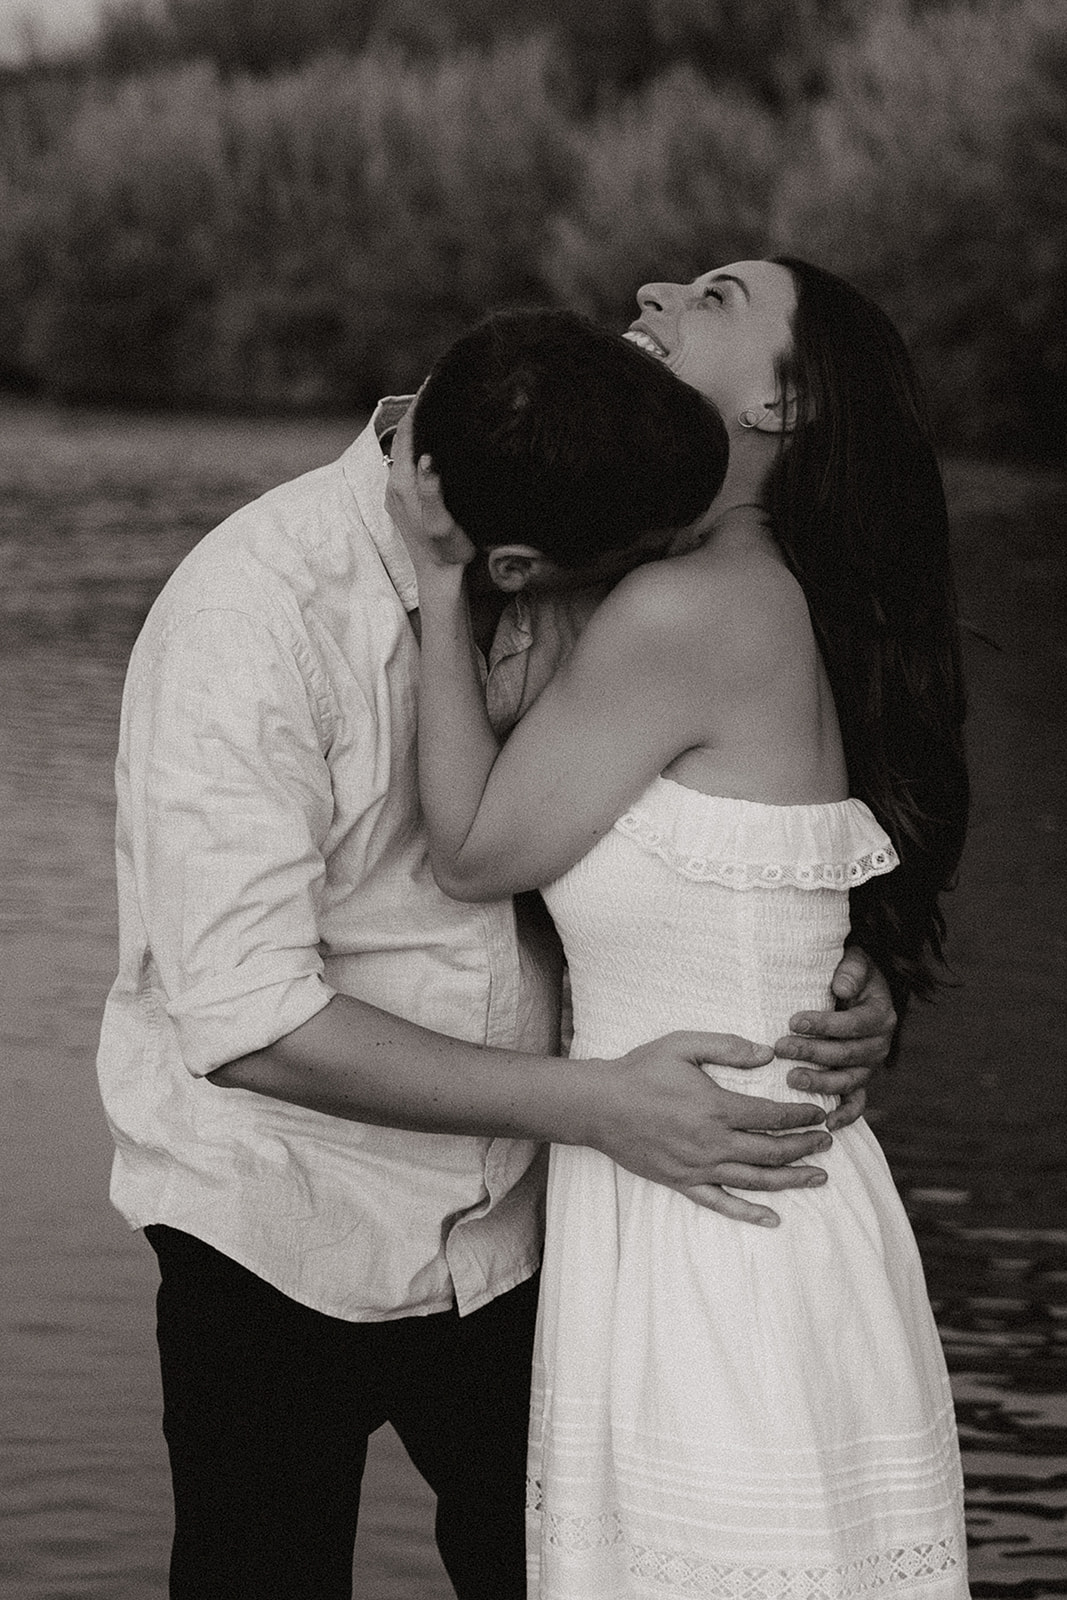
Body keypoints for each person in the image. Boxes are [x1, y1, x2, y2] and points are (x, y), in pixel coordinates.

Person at [96, 305, 898, 1600]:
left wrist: (830, 974)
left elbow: (733, 804)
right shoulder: (248, 620)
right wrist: (598, 1105)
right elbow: (250, 1022)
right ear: (516, 565)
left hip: (540, 1231)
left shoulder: (580, 479)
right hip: (283, 1236)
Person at [386, 263, 971, 1596]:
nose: (656, 287)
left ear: (790, 398)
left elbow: (476, 851)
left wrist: (436, 577)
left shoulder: (692, 605)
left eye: (714, 296)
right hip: (724, 1175)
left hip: (715, 1222)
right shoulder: (713, 578)